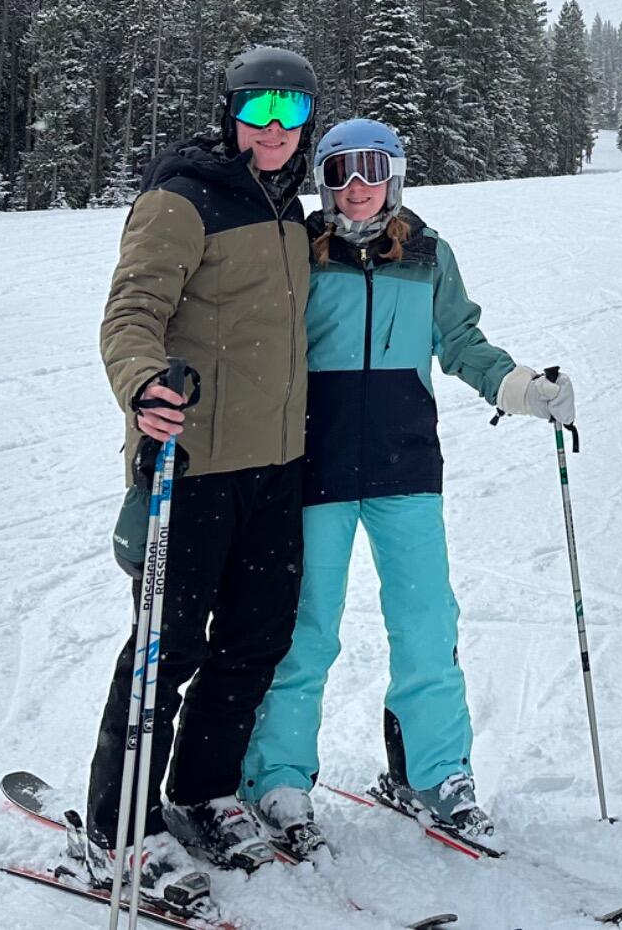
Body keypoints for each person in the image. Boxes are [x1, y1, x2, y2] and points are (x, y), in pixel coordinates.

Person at [239, 116, 577, 859]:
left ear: (394, 176)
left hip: (405, 469)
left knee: (427, 626)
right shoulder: (301, 248)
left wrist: (521, 387)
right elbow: (262, 340)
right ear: (323, 183)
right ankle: (278, 779)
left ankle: (437, 774)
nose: (356, 187)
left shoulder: (427, 253)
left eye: (372, 169)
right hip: (315, 468)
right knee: (306, 629)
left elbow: (461, 341)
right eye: (339, 172)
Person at [68, 44, 321, 914]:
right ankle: (119, 828)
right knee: (164, 649)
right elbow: (131, 309)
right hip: (194, 465)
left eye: (292, 111)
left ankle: (204, 791)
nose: (276, 129)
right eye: (259, 110)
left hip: (277, 465)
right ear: (230, 114)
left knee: (256, 640)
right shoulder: (181, 198)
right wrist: (143, 381)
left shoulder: (293, 212)